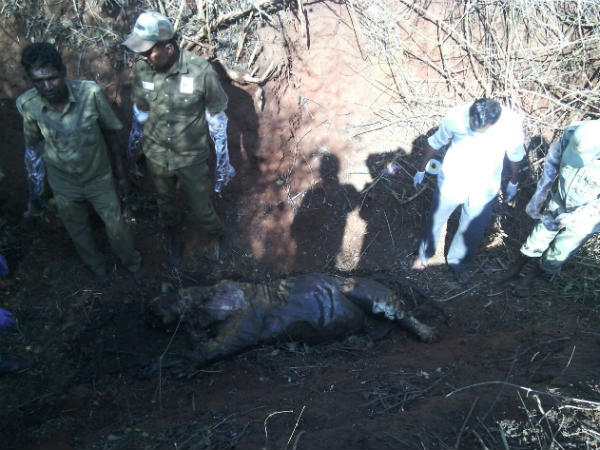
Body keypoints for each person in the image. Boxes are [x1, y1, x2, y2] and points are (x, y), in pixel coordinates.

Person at [16, 43, 143, 285]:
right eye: (38, 81)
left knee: (116, 226)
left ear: (63, 72)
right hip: (63, 183)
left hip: (98, 178)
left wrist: (121, 176)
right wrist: (40, 189)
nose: (47, 86)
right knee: (78, 231)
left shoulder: (90, 93)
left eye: (52, 78)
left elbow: (110, 134)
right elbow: (34, 145)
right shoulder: (28, 105)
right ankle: (98, 269)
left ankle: (132, 263)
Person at [149, 273, 439, 368]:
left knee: (366, 293)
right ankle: (408, 323)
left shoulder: (224, 291)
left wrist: (182, 311)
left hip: (332, 293)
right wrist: (187, 330)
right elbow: (208, 353)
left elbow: (200, 301)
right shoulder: (241, 324)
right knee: (366, 296)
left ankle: (412, 323)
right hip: (328, 315)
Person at [123, 11, 229, 265]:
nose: (142, 57)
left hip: (191, 157)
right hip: (156, 154)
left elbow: (217, 118)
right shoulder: (142, 70)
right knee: (166, 204)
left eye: (147, 52)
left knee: (201, 209)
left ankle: (219, 234)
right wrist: (134, 152)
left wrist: (223, 162)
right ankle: (173, 236)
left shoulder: (201, 72)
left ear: (168, 48)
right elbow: (140, 113)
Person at [412, 98, 525, 282]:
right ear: (471, 113)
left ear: (494, 122)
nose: (475, 130)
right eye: (472, 125)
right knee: (436, 219)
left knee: (471, 229)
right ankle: (424, 253)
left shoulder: (511, 125)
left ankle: (459, 263)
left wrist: (513, 182)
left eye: (481, 129)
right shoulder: (456, 117)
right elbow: (435, 142)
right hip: (452, 179)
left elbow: (515, 156)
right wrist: (421, 169)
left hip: (484, 187)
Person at [496, 119, 600, 295]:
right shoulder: (573, 133)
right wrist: (539, 195)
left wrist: (573, 217)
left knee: (561, 250)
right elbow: (552, 162)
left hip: (587, 217)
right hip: (561, 200)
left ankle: (530, 278)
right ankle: (514, 270)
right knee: (538, 235)